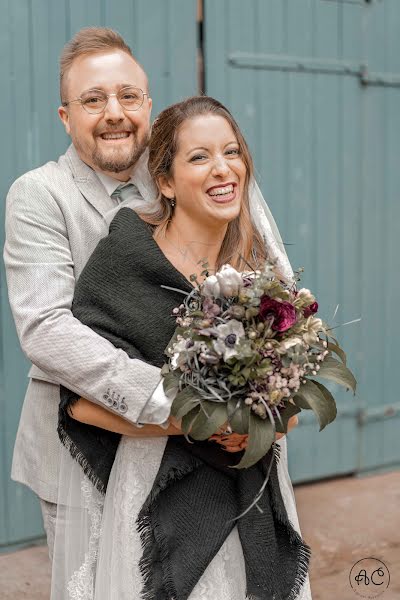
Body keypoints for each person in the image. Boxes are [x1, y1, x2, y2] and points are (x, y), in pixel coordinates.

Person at [52, 96, 313, 600]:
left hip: (253, 489)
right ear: (165, 182)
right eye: (199, 157)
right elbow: (79, 402)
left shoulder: (260, 273)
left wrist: (256, 426)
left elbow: (293, 404)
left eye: (232, 152)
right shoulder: (126, 258)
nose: (224, 169)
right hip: (157, 488)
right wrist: (196, 424)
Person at [3, 27, 180, 560]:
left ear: (148, 104)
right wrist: (166, 399)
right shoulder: (39, 194)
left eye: (128, 96)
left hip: (185, 453)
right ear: (66, 116)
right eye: (93, 99)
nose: (114, 112)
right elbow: (46, 328)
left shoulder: (178, 182)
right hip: (81, 445)